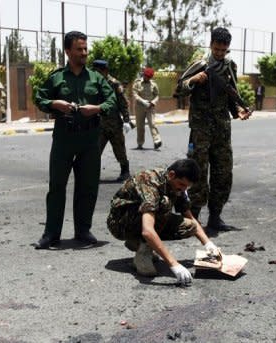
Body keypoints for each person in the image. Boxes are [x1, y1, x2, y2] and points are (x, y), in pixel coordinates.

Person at [33, 31, 117, 249]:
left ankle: (83, 231)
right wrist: (54, 104)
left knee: (88, 186)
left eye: (85, 49)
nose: (84, 53)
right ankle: (51, 234)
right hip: (64, 138)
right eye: (79, 49)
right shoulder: (57, 77)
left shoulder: (96, 78)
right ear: (68, 51)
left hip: (90, 140)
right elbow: (39, 97)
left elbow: (112, 100)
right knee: (57, 187)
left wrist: (97, 108)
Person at [178, 27, 251, 234]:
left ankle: (215, 216)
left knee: (223, 172)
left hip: (221, 128)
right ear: (211, 45)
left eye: (223, 50)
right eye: (217, 49)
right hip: (201, 129)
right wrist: (194, 80)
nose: (220, 53)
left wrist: (238, 110)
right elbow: (179, 87)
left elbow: (230, 95)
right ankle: (193, 217)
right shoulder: (200, 63)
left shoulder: (229, 67)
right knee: (197, 172)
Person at [107, 158, 222, 286]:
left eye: (186, 187)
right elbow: (147, 230)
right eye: (182, 184)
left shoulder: (175, 184)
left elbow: (189, 216)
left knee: (190, 226)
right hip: (120, 223)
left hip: (141, 220)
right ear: (172, 175)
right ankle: (143, 252)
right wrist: (174, 264)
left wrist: (208, 244)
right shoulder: (150, 182)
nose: (183, 189)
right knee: (164, 203)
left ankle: (138, 243)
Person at [92, 59, 132, 182]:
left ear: (105, 71)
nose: (96, 73)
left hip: (114, 124)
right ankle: (91, 174)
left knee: (119, 149)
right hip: (99, 124)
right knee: (94, 150)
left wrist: (126, 120)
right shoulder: (94, 83)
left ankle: (125, 172)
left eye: (98, 71)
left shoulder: (114, 83)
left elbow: (123, 103)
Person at [132, 67, 162, 150]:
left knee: (152, 124)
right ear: (144, 75)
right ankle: (140, 143)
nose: (147, 78)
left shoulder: (154, 84)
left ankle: (157, 141)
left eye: (149, 77)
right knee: (140, 126)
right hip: (139, 107)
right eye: (146, 76)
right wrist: (142, 101)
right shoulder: (137, 83)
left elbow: (157, 95)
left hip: (150, 107)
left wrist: (153, 102)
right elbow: (135, 94)